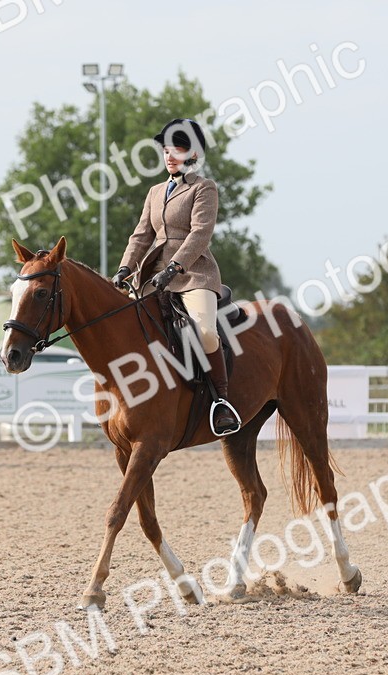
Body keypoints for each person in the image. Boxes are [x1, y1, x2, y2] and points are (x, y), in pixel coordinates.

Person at [114, 118, 241, 436]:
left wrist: (176, 266)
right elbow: (141, 235)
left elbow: (200, 234)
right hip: (152, 276)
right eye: (167, 149)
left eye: (179, 149)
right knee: (120, 323)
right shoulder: (155, 192)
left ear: (193, 155)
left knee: (205, 331)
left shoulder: (204, 188)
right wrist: (124, 268)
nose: (170, 155)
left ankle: (221, 402)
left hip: (193, 275)